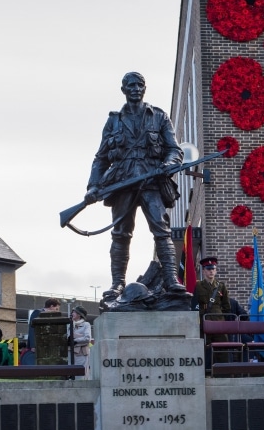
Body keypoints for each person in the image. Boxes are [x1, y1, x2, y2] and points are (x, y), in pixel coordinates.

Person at [85, 72, 186, 297]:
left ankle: (171, 280)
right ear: (123, 89)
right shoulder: (113, 120)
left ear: (145, 88)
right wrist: (92, 187)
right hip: (123, 183)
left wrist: (169, 163)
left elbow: (174, 149)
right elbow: (101, 158)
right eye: (131, 85)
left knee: (161, 230)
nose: (135, 89)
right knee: (121, 233)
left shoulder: (159, 116)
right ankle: (117, 284)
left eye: (140, 85)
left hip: (151, 180)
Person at [193, 256, 230, 363]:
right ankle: (203, 372)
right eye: (208, 269)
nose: (211, 271)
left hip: (218, 321)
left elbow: (226, 306)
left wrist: (225, 322)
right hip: (203, 320)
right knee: (202, 349)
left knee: (222, 348)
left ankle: (222, 372)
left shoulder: (221, 286)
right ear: (204, 271)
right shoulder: (198, 285)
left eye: (213, 269)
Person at [69, 305, 92, 371]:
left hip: (81, 354)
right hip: (70, 353)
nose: (72, 314)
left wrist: (75, 340)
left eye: (74, 312)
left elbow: (87, 338)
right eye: (72, 312)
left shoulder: (86, 324)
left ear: (79, 314)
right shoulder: (69, 324)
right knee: (70, 373)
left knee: (80, 374)